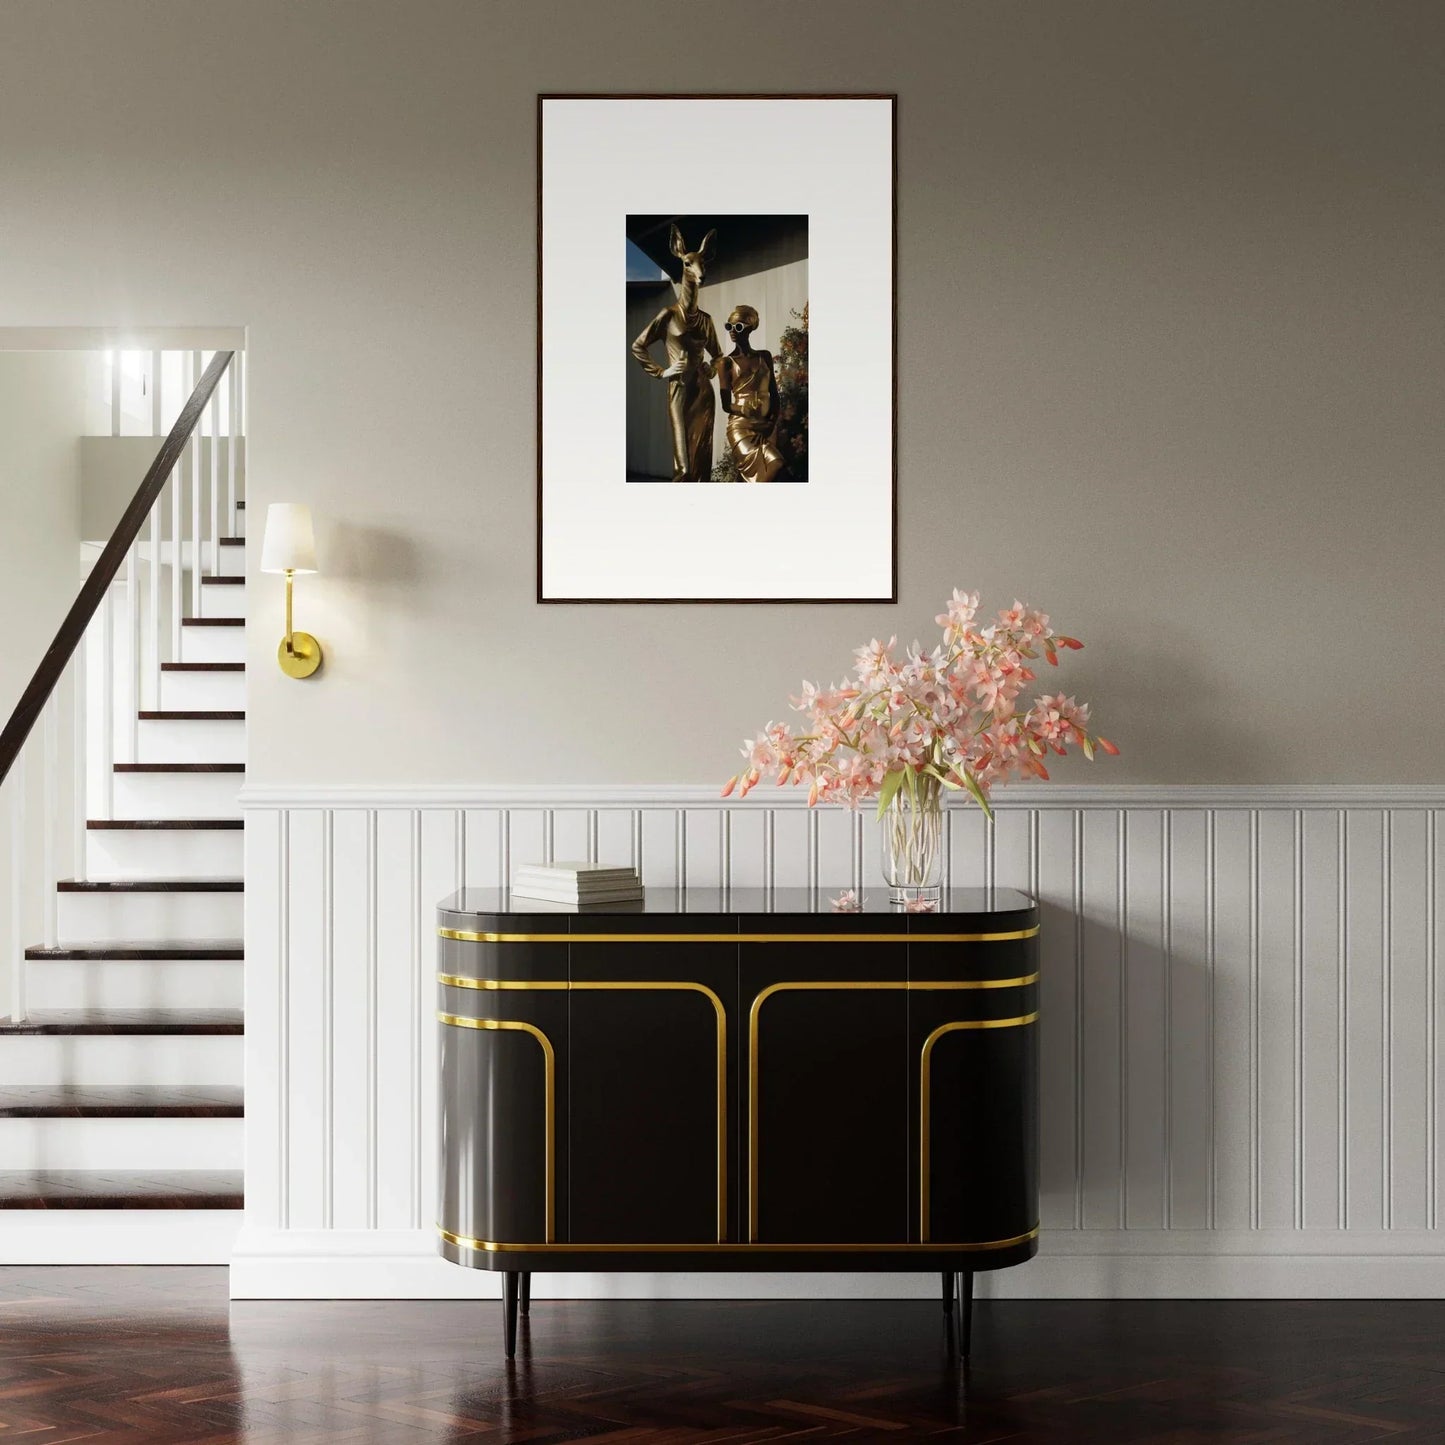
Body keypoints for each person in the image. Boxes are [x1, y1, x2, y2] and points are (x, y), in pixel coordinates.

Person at [630, 225, 721, 482]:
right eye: (690, 264)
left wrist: (712, 368)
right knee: (684, 467)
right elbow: (638, 346)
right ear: (683, 264)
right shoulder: (667, 315)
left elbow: (718, 356)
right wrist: (662, 371)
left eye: (701, 264)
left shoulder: (706, 320)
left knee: (702, 462)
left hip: (703, 392)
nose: (697, 270)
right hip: (679, 389)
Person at [717, 305, 784, 484]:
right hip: (740, 426)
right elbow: (725, 405)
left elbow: (774, 394)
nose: (732, 331)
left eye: (737, 327)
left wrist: (771, 423)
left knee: (775, 463)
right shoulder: (725, 363)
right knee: (773, 466)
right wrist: (745, 409)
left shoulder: (765, 356)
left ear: (749, 328)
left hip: (765, 425)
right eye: (729, 326)